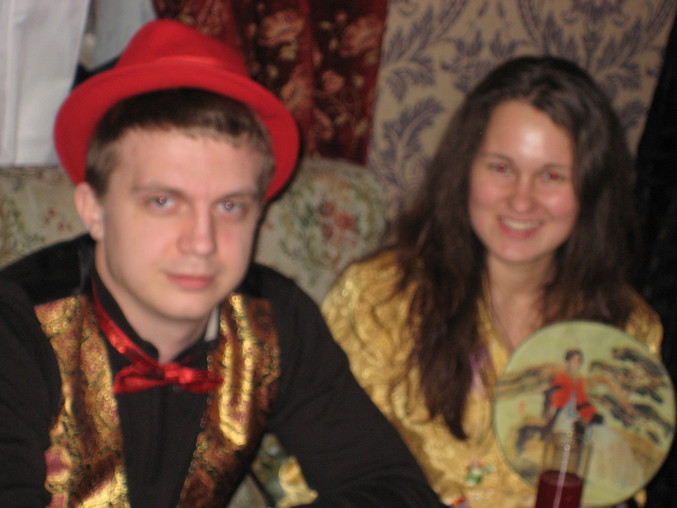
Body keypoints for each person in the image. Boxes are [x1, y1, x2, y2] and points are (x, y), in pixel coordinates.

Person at [0, 19, 442, 508]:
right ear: (94, 210)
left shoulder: (273, 321)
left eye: (230, 206)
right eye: (164, 201)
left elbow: (395, 488)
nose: (202, 243)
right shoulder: (17, 327)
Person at [298, 56, 663, 507]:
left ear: (590, 191)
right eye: (501, 168)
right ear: (466, 169)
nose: (522, 200)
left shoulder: (628, 330)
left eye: (552, 176)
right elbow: (318, 478)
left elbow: (621, 489)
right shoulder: (379, 299)